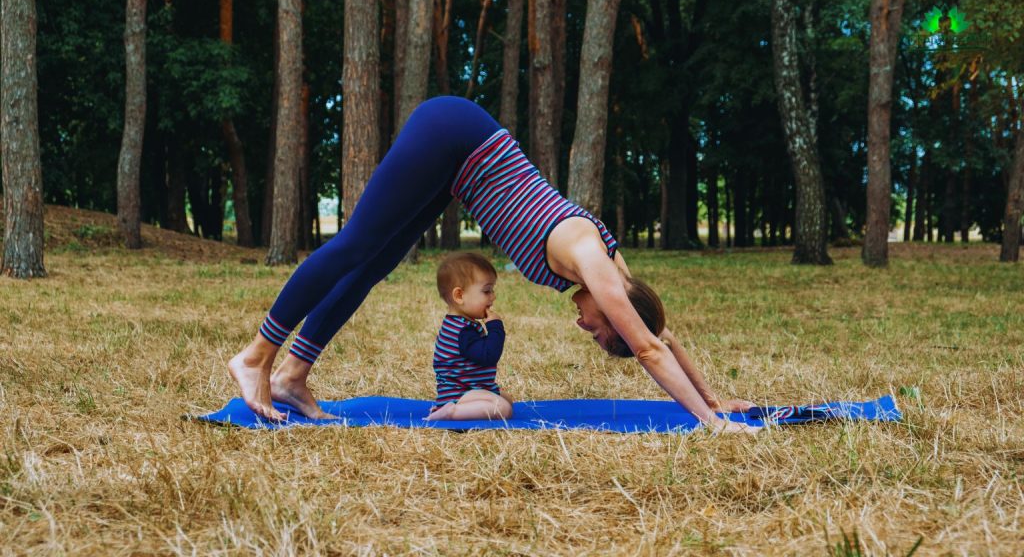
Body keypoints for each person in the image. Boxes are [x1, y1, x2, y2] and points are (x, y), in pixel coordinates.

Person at [227, 96, 758, 434]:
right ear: (612, 309)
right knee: (354, 245)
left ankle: (293, 374)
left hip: (460, 166)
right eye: (598, 330)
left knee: (371, 265)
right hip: (455, 135)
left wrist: (714, 398)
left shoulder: (619, 274)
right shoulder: (595, 263)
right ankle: (256, 357)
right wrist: (712, 424)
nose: (584, 326)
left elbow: (662, 332)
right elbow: (645, 347)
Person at [423, 252, 512, 421]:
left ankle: (452, 408)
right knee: (503, 408)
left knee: (507, 400)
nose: (493, 297)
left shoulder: (459, 324)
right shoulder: (463, 331)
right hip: (460, 393)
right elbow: (489, 356)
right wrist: (495, 327)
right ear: (459, 296)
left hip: (468, 388)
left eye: (492, 290)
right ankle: (452, 412)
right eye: (487, 291)